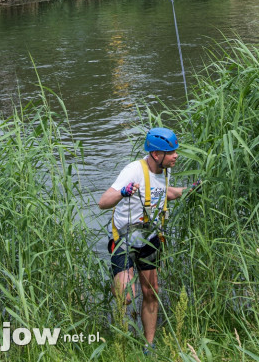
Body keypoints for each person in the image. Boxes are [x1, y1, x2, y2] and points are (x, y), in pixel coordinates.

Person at [98, 128, 185, 353]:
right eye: (171, 152)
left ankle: (149, 345)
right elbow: (103, 202)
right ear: (156, 154)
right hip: (124, 238)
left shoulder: (165, 171)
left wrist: (189, 191)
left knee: (151, 291)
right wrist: (124, 192)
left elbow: (163, 192)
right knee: (126, 297)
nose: (176, 155)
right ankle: (121, 340)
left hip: (149, 237)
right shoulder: (133, 170)